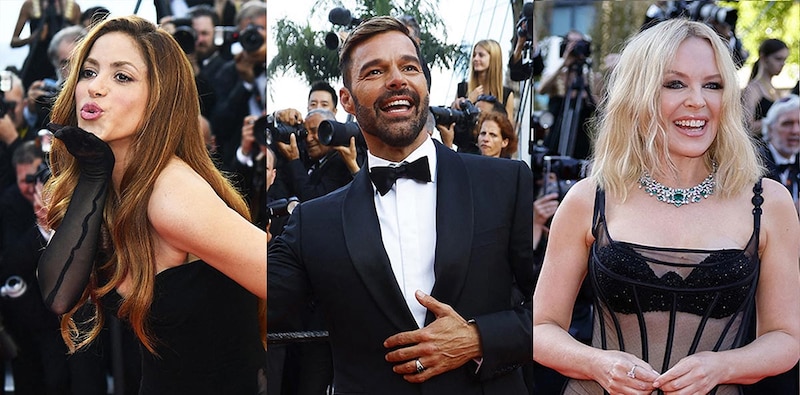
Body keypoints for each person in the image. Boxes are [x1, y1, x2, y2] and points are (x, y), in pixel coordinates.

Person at [533, 18, 800, 395]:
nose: (698, 100)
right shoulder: (590, 198)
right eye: (675, 84)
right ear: (638, 95)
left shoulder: (767, 202)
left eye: (713, 85)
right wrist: (597, 363)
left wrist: (721, 366)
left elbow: (786, 337)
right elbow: (541, 328)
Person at [269, 16, 534, 393]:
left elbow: (552, 312)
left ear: (424, 84)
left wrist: (480, 338)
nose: (397, 79)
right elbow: (252, 308)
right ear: (347, 99)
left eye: (409, 67)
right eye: (375, 71)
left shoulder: (507, 183)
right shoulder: (315, 221)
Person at [36, 15, 267, 394]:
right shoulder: (114, 184)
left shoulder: (170, 194)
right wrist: (94, 174)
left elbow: (283, 279)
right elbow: (59, 295)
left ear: (159, 99)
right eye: (89, 72)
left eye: (121, 77)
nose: (96, 88)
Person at [537, 29, 599, 160]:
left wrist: (587, 84)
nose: (575, 48)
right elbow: (541, 89)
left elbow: (600, 109)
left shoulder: (591, 78)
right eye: (571, 44)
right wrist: (563, 64)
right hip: (555, 140)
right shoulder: (557, 75)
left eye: (579, 44)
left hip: (581, 143)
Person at [11, 0, 81, 90]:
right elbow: (14, 41)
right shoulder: (30, 5)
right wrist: (33, 38)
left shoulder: (72, 7)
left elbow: (80, 37)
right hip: (35, 65)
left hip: (62, 65)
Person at [759, 94, 800, 210]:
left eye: (799, 124)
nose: (795, 131)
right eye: (787, 124)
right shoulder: (755, 164)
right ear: (770, 129)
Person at [742, 38, 789, 138]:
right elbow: (746, 127)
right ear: (763, 58)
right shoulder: (753, 89)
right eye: (778, 59)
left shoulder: (775, 90)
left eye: (784, 60)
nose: (782, 64)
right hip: (759, 149)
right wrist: (772, 121)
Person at [458, 39, 515, 120]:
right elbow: (454, 122)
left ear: (493, 59)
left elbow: (508, 129)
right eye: (474, 55)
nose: (475, 59)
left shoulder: (506, 95)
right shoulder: (462, 89)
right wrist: (468, 102)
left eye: (481, 55)